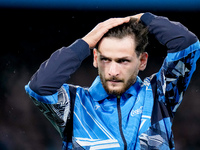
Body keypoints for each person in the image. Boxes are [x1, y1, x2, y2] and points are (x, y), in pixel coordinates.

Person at [25, 12, 200, 150]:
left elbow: (186, 43)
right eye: (105, 59)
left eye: (123, 61)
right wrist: (85, 42)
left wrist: (143, 18)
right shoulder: (75, 103)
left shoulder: (159, 94)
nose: (113, 71)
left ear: (142, 61)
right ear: (95, 58)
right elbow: (39, 87)